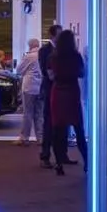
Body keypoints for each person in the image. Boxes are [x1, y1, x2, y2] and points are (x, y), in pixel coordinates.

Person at [48, 29, 86, 176]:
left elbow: (50, 76)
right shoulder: (76, 56)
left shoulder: (53, 56)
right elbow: (81, 73)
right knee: (79, 129)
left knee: (58, 130)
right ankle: (87, 162)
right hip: (72, 92)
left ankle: (59, 164)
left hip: (57, 92)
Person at [38, 24, 62, 169]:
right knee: (48, 123)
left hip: (62, 91)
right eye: (59, 34)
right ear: (52, 35)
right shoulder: (44, 51)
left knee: (62, 124)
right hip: (50, 90)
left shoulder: (63, 49)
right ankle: (45, 155)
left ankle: (62, 155)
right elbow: (44, 71)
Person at [14, 39, 43, 146]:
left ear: (30, 46)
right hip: (41, 87)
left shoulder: (28, 57)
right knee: (39, 114)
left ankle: (24, 138)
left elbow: (18, 70)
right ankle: (41, 138)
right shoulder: (43, 56)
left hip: (29, 88)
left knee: (28, 113)